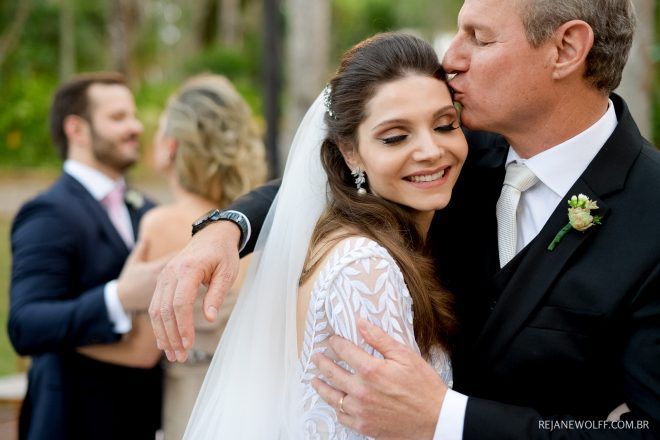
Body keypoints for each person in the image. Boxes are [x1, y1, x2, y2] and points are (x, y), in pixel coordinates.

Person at [151, 0, 660, 438]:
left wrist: (447, 419)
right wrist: (226, 228)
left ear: (566, 48)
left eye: (479, 38)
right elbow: (321, 179)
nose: (451, 58)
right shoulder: (455, 153)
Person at [182, 33, 464, 438]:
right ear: (350, 152)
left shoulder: (350, 237)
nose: (431, 150)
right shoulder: (364, 268)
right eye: (395, 137)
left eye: (444, 125)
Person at [78, 73, 268, 439]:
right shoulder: (260, 223)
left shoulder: (165, 223)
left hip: (198, 405)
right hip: (259, 406)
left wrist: (57, 340)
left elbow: (141, 350)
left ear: (171, 147)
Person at [8, 72, 166, 440]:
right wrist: (119, 297)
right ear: (76, 130)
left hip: (142, 422)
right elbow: (26, 324)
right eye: (118, 117)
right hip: (71, 421)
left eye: (133, 115)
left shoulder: (147, 209)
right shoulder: (48, 212)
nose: (135, 127)